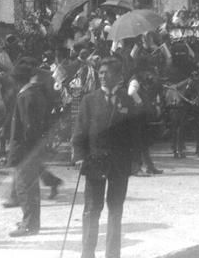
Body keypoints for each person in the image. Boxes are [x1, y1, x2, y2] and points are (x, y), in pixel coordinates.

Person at [73, 57, 141, 258]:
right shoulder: (89, 100)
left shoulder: (128, 100)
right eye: (100, 72)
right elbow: (79, 132)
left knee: (116, 210)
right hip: (95, 162)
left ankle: (112, 255)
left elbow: (136, 133)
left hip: (120, 163)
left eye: (107, 73)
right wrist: (79, 156)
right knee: (92, 209)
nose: (102, 76)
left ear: (118, 76)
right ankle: (87, 254)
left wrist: (136, 160)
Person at [7, 58, 50, 237]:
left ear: (17, 81)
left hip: (25, 149)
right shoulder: (35, 93)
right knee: (30, 186)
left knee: (24, 187)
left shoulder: (25, 96)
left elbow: (28, 127)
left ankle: (29, 224)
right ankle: (31, 220)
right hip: (33, 148)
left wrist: (22, 150)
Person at [127, 61, 163, 175]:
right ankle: (136, 168)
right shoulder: (135, 81)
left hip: (141, 116)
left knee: (144, 142)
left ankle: (149, 166)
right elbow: (131, 92)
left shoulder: (140, 81)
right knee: (138, 142)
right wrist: (140, 102)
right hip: (136, 116)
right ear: (141, 71)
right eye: (146, 71)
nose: (148, 74)